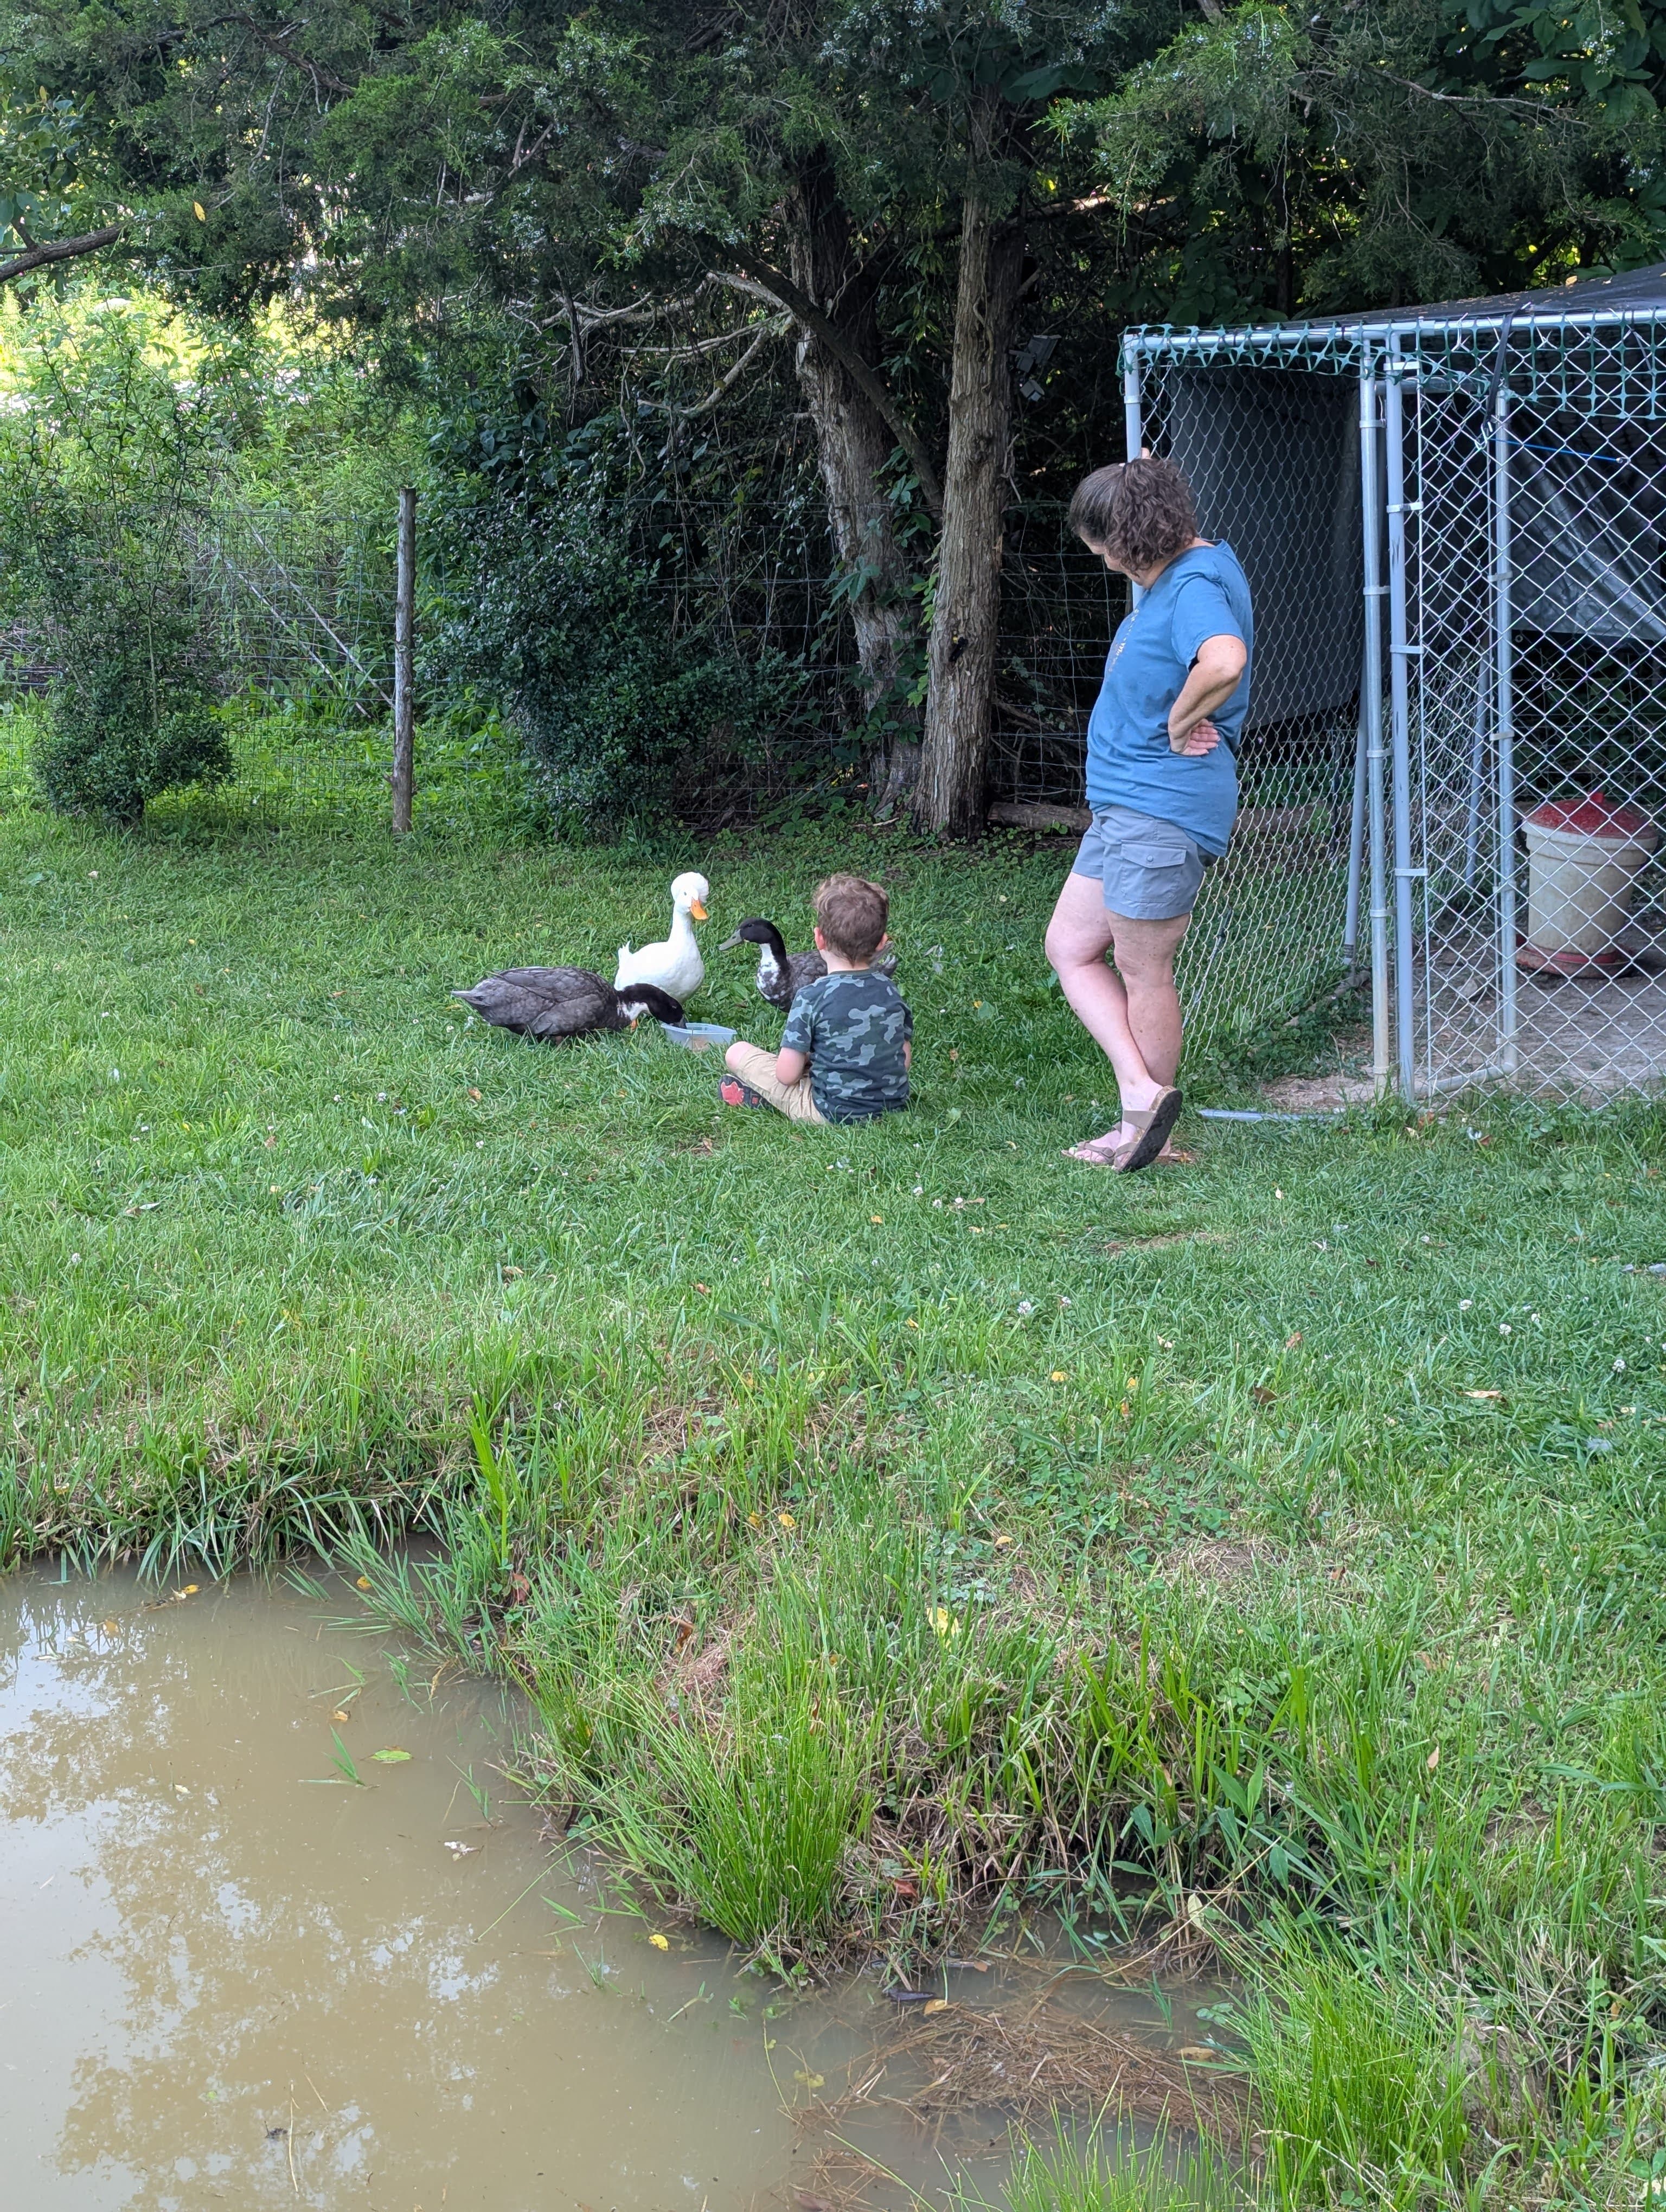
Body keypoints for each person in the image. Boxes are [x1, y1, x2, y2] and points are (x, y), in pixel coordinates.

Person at [1044, 456, 1252, 1171]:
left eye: (1104, 548)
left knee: (1143, 971)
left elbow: (1224, 660)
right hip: (1128, 809)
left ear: (1133, 536)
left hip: (1158, 810)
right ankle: (1142, 1095)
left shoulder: (1193, 583)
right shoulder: (1186, 577)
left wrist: (1180, 718)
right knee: (1071, 946)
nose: (1103, 563)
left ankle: (1144, 1131)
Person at [720, 874, 911, 1124]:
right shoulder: (890, 991)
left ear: (819, 938)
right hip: (891, 1106)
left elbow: (787, 1075)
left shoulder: (810, 996)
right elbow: (903, 1061)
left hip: (829, 1112)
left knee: (737, 1053)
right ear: (882, 943)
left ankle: (768, 1099)